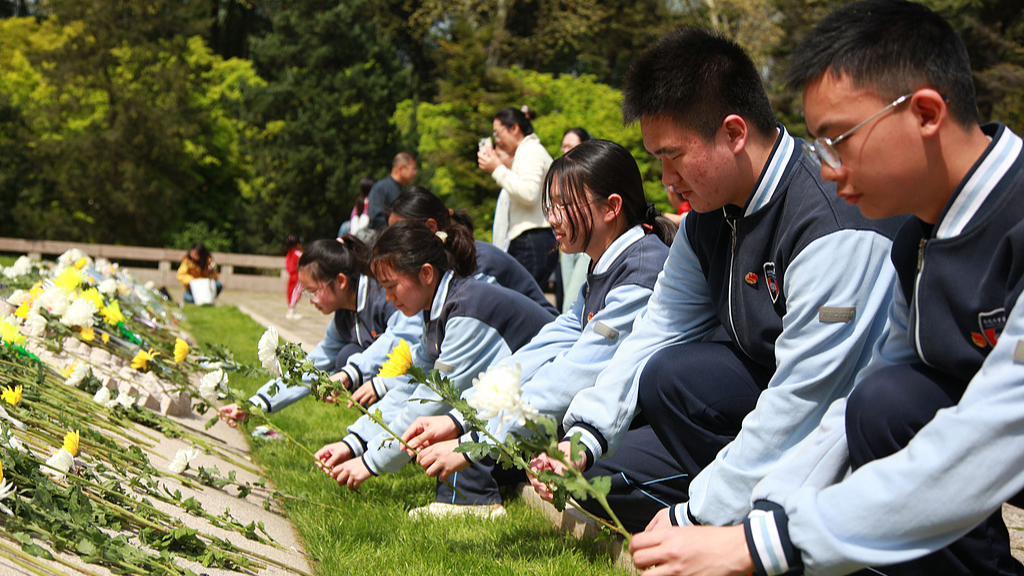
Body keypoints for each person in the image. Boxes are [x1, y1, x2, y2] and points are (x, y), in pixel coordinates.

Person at [634, 3, 1024, 575]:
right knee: (886, 400)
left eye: (839, 139)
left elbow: (996, 430)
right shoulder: (916, 240)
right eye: (818, 143)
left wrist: (761, 545)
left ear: (925, 113)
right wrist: (759, 520)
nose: (828, 167)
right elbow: (854, 406)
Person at [527, 26, 902, 536]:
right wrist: (585, 435)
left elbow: (806, 399)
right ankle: (734, 506)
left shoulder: (829, 226)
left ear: (734, 133)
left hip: (854, 427)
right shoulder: (709, 214)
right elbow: (659, 329)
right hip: (768, 399)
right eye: (656, 157)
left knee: (678, 417)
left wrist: (695, 515)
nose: (664, 179)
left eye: (673, 155)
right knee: (650, 405)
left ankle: (768, 524)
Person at [400, 139, 676, 519]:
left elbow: (578, 368)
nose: (551, 218)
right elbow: (546, 347)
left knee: (590, 479)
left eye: (564, 205)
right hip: (621, 418)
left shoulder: (642, 268)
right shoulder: (603, 267)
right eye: (551, 205)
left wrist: (473, 440)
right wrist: (461, 418)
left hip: (667, 427)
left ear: (611, 207)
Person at [313, 220, 554, 497]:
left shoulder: (466, 308)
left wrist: (370, 463)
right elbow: (406, 387)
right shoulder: (438, 308)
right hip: (516, 422)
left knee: (450, 413)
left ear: (426, 273)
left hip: (547, 427)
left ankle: (472, 502)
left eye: (391, 286)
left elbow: (433, 402)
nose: (388, 297)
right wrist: (354, 443)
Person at [217, 236, 422, 424]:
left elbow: (399, 340)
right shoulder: (343, 316)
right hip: (390, 382)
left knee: (348, 360)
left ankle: (396, 432)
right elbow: (312, 366)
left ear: (341, 281)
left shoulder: (383, 297)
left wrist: (351, 373)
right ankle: (380, 432)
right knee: (345, 357)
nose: (311, 300)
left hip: (420, 376)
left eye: (313, 291)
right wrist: (256, 404)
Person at [478, 106, 558, 289]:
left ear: (514, 128)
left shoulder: (531, 150)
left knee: (522, 304)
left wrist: (497, 168)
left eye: (498, 134)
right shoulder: (526, 150)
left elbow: (528, 193)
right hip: (530, 239)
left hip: (532, 239)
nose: (497, 141)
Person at [557, 127, 593, 313]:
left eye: (570, 146)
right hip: (567, 244)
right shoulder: (560, 178)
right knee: (568, 301)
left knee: (571, 302)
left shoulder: (592, 176)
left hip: (587, 246)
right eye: (563, 146)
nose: (565, 151)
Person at [367, 153, 417, 230]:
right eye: (413, 169)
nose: (415, 173)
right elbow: (376, 217)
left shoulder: (406, 190)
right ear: (401, 168)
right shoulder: (380, 188)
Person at [284, 234, 303, 320]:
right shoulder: (298, 253)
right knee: (296, 292)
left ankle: (292, 309)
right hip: (297, 275)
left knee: (291, 291)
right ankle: (291, 310)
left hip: (291, 275)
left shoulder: (289, 253)